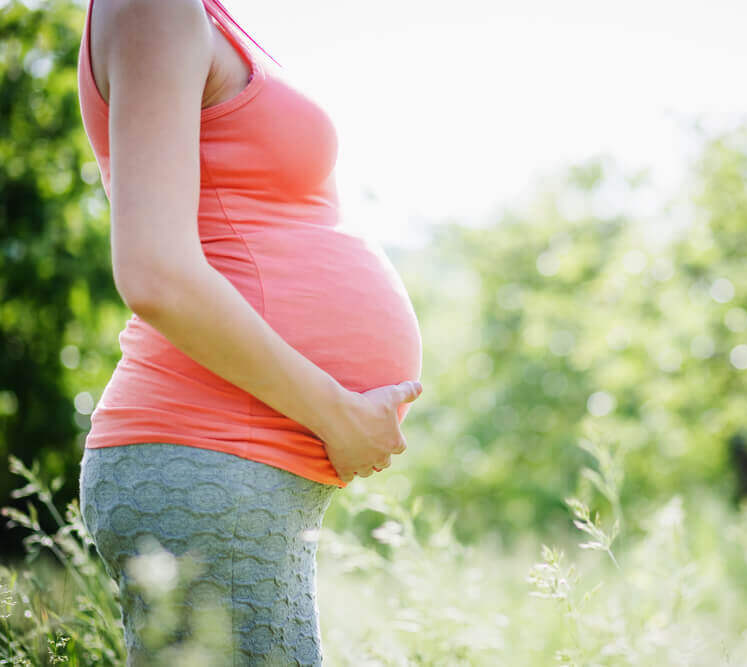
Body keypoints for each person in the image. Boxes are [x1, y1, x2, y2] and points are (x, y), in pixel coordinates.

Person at [75, 0, 424, 663]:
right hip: (209, 450)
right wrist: (337, 413)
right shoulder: (155, 9)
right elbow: (155, 273)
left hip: (237, 467)